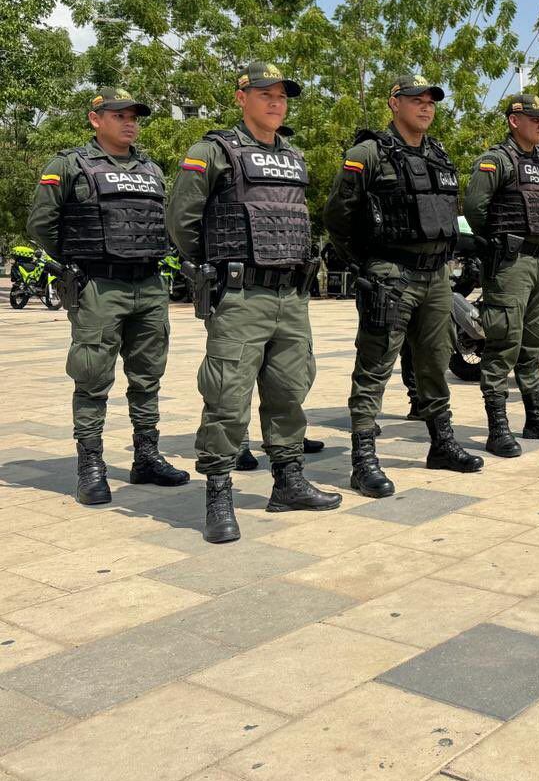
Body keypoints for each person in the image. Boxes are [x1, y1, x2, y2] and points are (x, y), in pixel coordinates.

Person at [167, 61, 340, 543]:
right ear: (241, 97)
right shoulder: (214, 150)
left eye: (282, 95)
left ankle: (288, 483)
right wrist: (213, 269)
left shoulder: (294, 154)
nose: (275, 102)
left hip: (290, 293)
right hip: (240, 294)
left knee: (290, 390)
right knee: (227, 395)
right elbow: (182, 220)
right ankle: (218, 495)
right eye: (265, 93)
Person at [27, 87, 189, 506]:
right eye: (119, 115)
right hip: (99, 286)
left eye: (134, 115)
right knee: (92, 376)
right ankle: (91, 465)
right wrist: (78, 260)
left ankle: (147, 456)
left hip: (149, 285)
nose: (130, 121)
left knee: (148, 376)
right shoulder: (70, 166)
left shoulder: (151, 168)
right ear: (96, 119)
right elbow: (41, 224)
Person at [324, 74, 483, 495]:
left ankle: (442, 444)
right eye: (417, 100)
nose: (426, 106)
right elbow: (338, 216)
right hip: (391, 275)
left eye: (431, 100)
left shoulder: (438, 153)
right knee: (375, 366)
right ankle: (363, 460)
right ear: (395, 103)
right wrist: (369, 265)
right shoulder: (369, 153)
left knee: (435, 361)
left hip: (436, 278)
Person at [463, 93, 539, 457]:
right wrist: (498, 243)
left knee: (536, 340)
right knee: (503, 341)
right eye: (535, 118)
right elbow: (475, 209)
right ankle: (498, 427)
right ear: (514, 121)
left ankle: (535, 416)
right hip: (512, 263)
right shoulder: (496, 161)